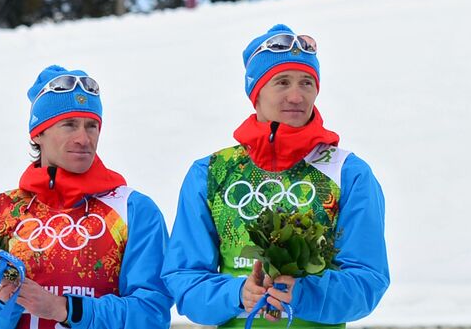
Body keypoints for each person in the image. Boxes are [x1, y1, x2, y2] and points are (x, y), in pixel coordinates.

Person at [162, 26, 389, 328]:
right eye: (282, 82)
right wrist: (238, 293)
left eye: (307, 83)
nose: (296, 96)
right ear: (255, 94)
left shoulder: (347, 172)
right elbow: (183, 278)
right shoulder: (211, 173)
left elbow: (368, 278)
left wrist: (304, 293)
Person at [0, 66, 171, 329]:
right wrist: (0, 299)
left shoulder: (133, 210)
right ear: (38, 133)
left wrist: (65, 309)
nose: (83, 138)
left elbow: (151, 314)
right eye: (69, 125)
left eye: (92, 126)